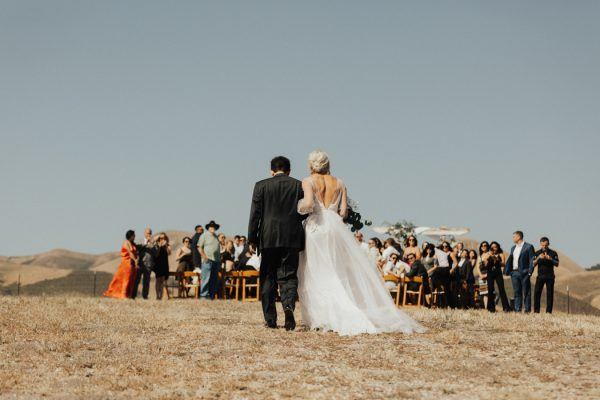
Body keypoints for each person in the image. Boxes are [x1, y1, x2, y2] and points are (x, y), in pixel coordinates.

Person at [297, 150, 424, 335]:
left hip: (317, 227)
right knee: (336, 269)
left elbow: (308, 204)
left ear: (311, 164)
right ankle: (344, 309)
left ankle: (322, 316)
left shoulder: (307, 181)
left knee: (317, 270)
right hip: (335, 228)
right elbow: (343, 213)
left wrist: (299, 207)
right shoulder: (339, 183)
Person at [248, 156, 306, 330]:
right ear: (289, 171)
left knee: (268, 277)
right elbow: (304, 211)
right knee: (288, 276)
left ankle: (270, 319)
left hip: (268, 238)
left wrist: (252, 238)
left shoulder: (261, 186)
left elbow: (255, 214)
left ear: (271, 171)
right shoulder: (298, 186)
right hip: (291, 238)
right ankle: (288, 308)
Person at [504, 231, 535, 312]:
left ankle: (527, 310)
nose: (512, 238)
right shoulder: (513, 248)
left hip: (525, 272)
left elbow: (532, 260)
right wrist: (510, 272)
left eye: (514, 236)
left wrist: (530, 272)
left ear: (519, 237)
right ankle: (518, 309)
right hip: (514, 273)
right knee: (517, 292)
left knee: (526, 292)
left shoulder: (528, 247)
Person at [104, 230, 138, 299]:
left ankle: (129, 295)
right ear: (130, 236)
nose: (135, 236)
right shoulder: (126, 243)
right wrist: (135, 260)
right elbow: (130, 252)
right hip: (126, 263)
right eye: (134, 235)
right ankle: (123, 295)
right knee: (126, 279)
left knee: (131, 279)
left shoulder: (132, 243)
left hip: (132, 264)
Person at [533, 237, 559, 313]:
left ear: (548, 244)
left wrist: (550, 259)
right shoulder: (537, 253)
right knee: (537, 293)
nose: (544, 247)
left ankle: (548, 312)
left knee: (550, 294)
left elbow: (557, 264)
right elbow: (533, 264)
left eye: (545, 245)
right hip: (540, 276)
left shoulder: (553, 253)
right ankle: (536, 311)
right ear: (540, 244)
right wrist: (538, 258)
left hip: (550, 277)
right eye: (542, 245)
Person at [483, 241, 511, 312]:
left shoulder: (501, 254)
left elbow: (503, 264)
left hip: (498, 272)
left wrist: (496, 259)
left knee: (501, 289)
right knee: (490, 290)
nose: (494, 248)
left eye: (495, 247)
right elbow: (485, 264)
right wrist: (489, 256)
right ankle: (491, 308)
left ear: (498, 247)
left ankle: (506, 308)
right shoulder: (487, 254)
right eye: (492, 247)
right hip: (490, 273)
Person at [198, 221, 222, 299]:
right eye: (211, 227)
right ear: (208, 228)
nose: (213, 228)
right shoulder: (204, 235)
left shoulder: (216, 237)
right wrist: (204, 257)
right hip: (207, 260)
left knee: (214, 279)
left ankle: (211, 296)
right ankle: (204, 296)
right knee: (206, 279)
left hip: (216, 261)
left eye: (214, 227)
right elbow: (199, 247)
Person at [132, 227, 155, 300]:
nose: (149, 234)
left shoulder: (153, 243)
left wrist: (152, 244)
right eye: (148, 233)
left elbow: (156, 253)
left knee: (146, 281)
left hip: (148, 264)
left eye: (150, 233)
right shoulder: (140, 241)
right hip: (140, 264)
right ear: (144, 233)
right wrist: (145, 243)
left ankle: (145, 296)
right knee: (137, 280)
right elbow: (137, 249)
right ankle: (133, 296)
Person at [154, 232, 171, 300]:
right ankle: (157, 295)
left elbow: (169, 253)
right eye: (160, 238)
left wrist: (166, 245)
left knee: (163, 280)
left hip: (165, 263)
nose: (162, 239)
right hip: (158, 264)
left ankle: (161, 296)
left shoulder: (168, 245)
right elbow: (156, 254)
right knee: (158, 280)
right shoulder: (156, 245)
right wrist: (160, 246)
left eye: (163, 238)